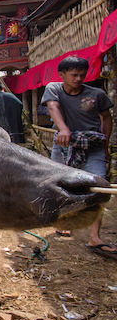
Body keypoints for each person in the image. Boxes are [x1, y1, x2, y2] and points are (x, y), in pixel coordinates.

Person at [41, 56, 115, 258]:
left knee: (98, 186)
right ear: (62, 75)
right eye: (74, 75)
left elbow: (106, 118)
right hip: (64, 145)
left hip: (93, 146)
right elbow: (53, 107)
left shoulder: (96, 94)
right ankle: (64, 221)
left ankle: (95, 237)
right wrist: (63, 129)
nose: (79, 78)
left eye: (83, 74)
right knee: (60, 183)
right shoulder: (54, 89)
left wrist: (105, 146)